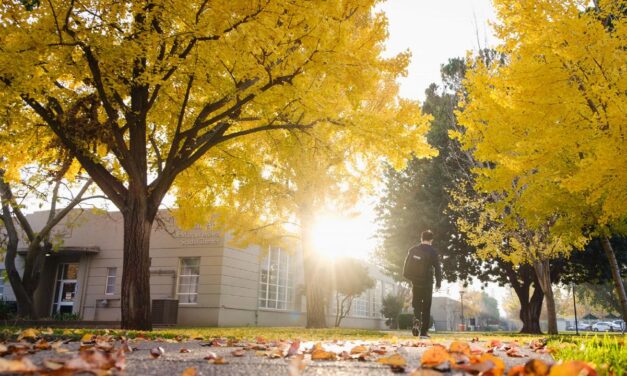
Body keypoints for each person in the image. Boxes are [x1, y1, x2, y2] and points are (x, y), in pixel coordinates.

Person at [402, 230, 442, 338]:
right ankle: (423, 333)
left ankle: (416, 320)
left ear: (421, 238)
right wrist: (438, 282)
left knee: (417, 305)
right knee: (426, 307)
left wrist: (413, 279)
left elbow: (405, 270)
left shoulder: (413, 250)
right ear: (431, 240)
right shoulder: (433, 252)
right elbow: (437, 268)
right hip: (428, 283)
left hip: (416, 283)